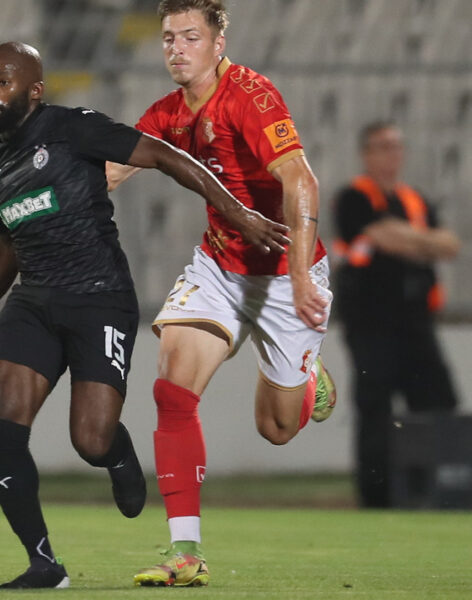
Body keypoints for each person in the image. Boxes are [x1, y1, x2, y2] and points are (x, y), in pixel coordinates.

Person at [0, 41, 290, 590]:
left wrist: (236, 211)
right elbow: (9, 244)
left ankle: (117, 455)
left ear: (34, 90)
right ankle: (43, 564)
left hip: (100, 298)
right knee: (5, 426)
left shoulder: (73, 128)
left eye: (2, 82)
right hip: (35, 302)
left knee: (90, 440)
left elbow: (168, 156)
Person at [106, 0, 337, 586]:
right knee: (171, 387)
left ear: (217, 42)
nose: (176, 49)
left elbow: (301, 180)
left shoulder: (252, 97)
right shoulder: (166, 113)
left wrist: (305, 278)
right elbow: (112, 168)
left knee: (278, 429)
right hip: (220, 269)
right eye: (167, 38)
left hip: (288, 278)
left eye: (189, 36)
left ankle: (305, 380)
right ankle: (186, 552)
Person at [333, 121, 461, 508]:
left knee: (439, 402)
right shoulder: (354, 197)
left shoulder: (414, 200)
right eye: (383, 147)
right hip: (371, 324)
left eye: (396, 146)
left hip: (416, 322)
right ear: (366, 153)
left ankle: (439, 489)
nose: (392, 154)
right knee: (375, 407)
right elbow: (384, 234)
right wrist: (421, 243)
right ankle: (377, 497)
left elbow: (450, 244)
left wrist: (406, 239)